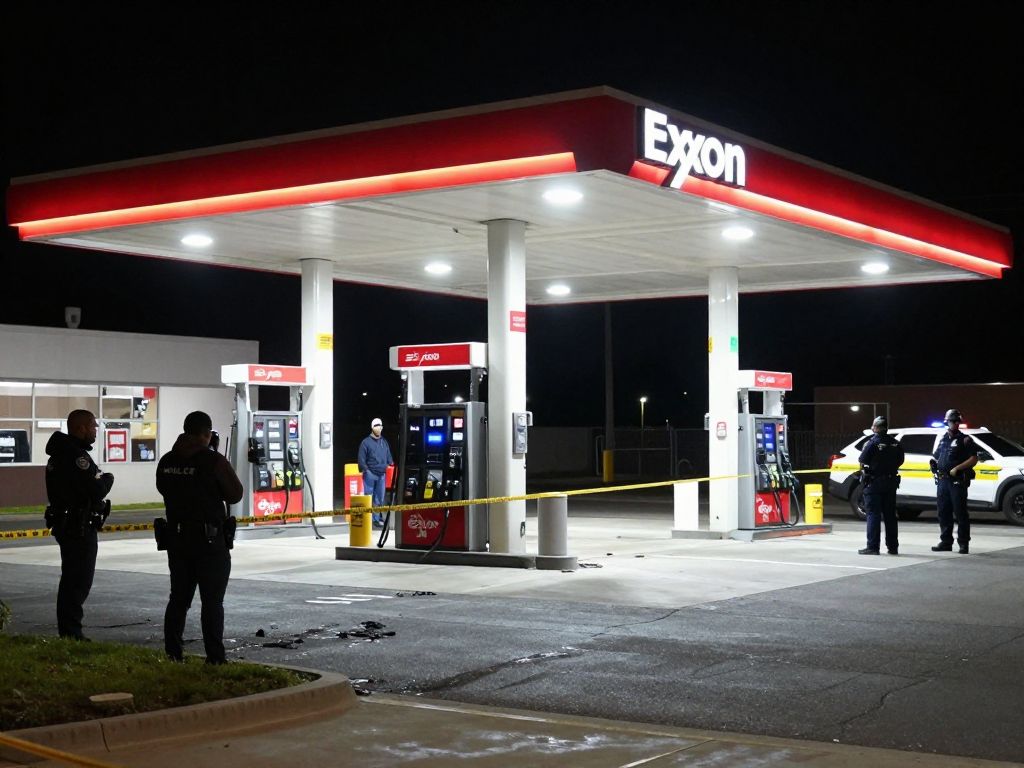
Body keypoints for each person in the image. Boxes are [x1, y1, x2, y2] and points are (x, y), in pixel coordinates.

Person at [156, 411, 243, 664]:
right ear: (206, 433)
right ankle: (215, 657)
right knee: (212, 602)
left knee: (178, 599)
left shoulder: (166, 461)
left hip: (177, 539)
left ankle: (173, 653)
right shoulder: (213, 461)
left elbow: (163, 488)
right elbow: (235, 494)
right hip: (209, 542)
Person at [44, 410, 114, 641]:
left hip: (67, 524)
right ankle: (71, 633)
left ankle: (69, 630)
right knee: (78, 582)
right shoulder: (76, 457)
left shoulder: (58, 455)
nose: (95, 430)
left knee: (71, 579)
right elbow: (97, 488)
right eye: (93, 426)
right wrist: (107, 478)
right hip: (78, 526)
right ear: (80, 428)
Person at [931, 408, 978, 554]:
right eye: (950, 422)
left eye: (954, 421)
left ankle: (963, 543)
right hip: (943, 480)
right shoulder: (944, 439)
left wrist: (958, 468)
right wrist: (934, 464)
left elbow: (974, 458)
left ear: (958, 422)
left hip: (957, 481)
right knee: (943, 512)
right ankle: (946, 542)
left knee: (960, 513)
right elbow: (937, 456)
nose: (951, 424)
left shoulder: (965, 440)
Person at [857, 416, 904, 555]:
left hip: (874, 483)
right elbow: (900, 460)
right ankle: (893, 547)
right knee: (890, 516)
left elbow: (862, 459)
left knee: (873, 515)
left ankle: (873, 547)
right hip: (890, 483)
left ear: (876, 427)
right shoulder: (895, 443)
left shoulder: (872, 443)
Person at [358, 417, 393, 528]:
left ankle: (376, 519)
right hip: (370, 474)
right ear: (372, 428)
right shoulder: (366, 442)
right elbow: (361, 458)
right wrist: (366, 470)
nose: (379, 428)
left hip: (381, 474)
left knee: (379, 498)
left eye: (380, 426)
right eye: (377, 426)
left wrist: (389, 464)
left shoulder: (384, 442)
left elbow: (389, 457)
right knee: (368, 497)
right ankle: (368, 519)